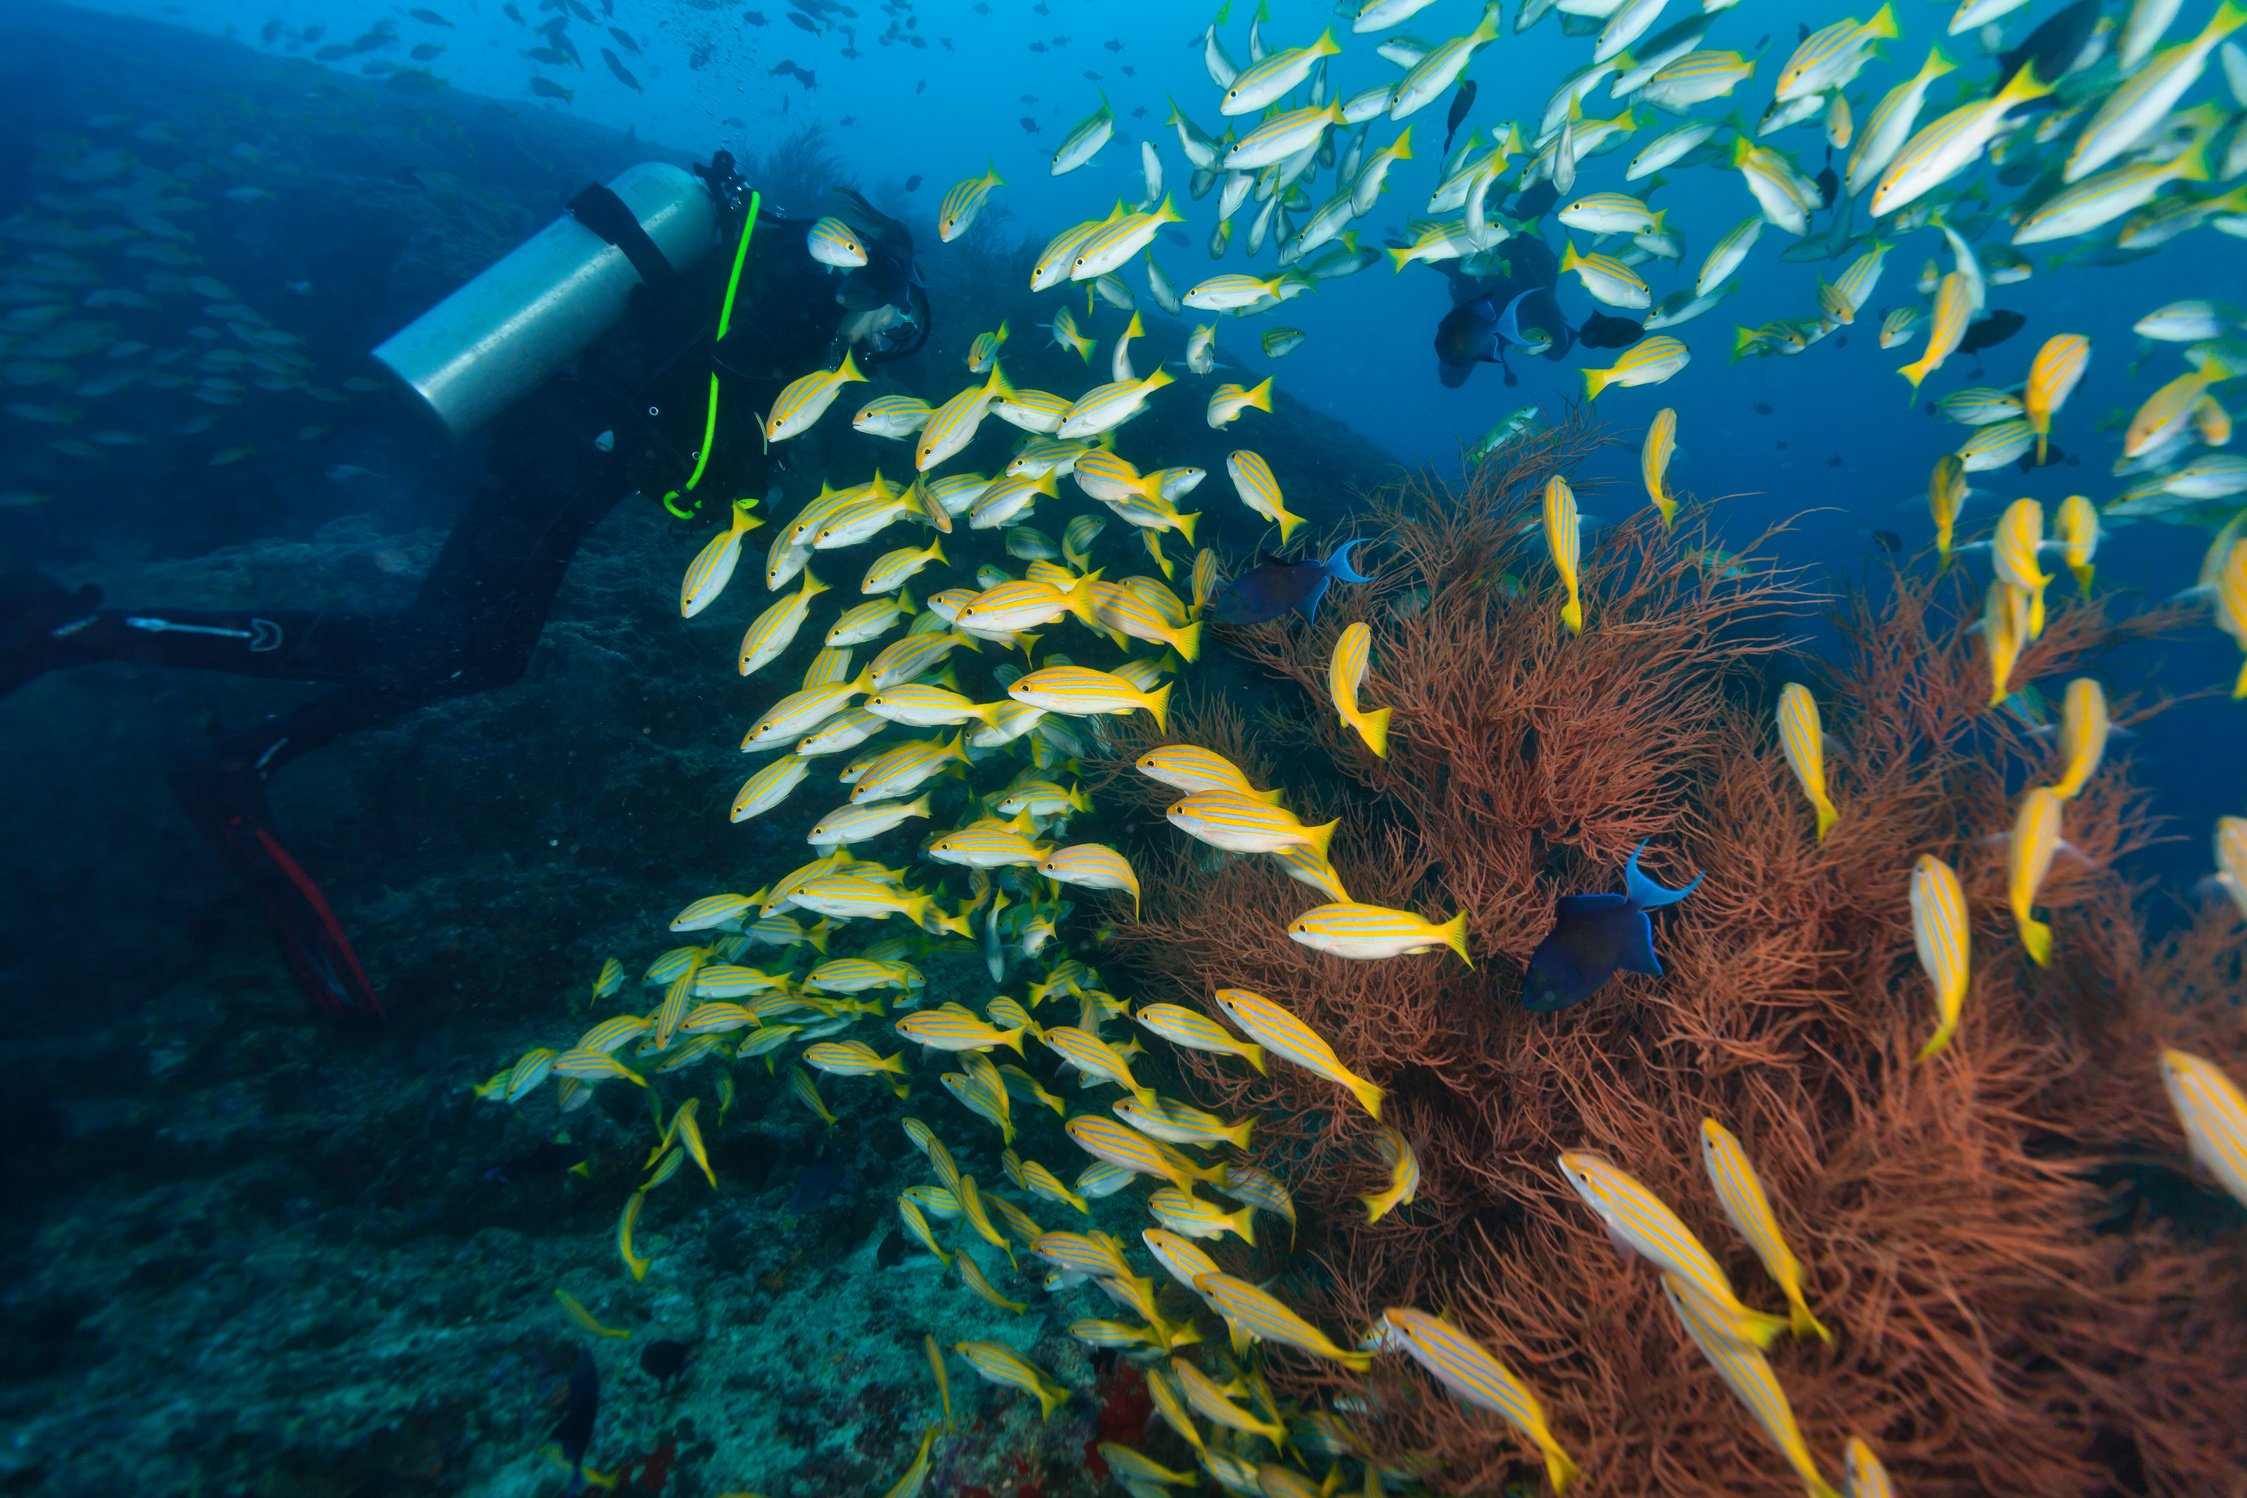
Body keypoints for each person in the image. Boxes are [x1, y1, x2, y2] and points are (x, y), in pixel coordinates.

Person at [0, 150, 929, 1022]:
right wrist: (742, 484)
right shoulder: (799, 293)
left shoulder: (768, 267)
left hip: (563, 446)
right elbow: (707, 416)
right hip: (566, 454)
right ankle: (120, 645)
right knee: (451, 645)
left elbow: (689, 382)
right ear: (876, 283)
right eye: (895, 332)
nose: (877, 349)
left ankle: (242, 744)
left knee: (471, 650)